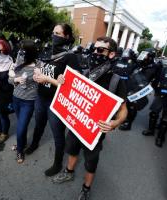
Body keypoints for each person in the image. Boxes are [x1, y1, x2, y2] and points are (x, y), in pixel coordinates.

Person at [52, 37, 128, 200]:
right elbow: (68, 90)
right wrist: (61, 81)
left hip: (95, 133)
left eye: (100, 50)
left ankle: (86, 188)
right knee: (72, 150)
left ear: (112, 54)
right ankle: (69, 172)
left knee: (90, 162)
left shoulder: (116, 81)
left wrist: (115, 122)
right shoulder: (84, 72)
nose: (95, 52)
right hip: (75, 125)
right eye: (94, 49)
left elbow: (123, 110)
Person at [25, 23, 80, 176]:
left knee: (57, 133)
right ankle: (34, 144)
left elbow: (73, 84)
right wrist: (37, 74)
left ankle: (57, 163)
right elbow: (41, 69)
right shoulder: (47, 52)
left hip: (56, 102)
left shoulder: (70, 57)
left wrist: (47, 79)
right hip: (41, 97)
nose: (54, 36)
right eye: (53, 32)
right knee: (39, 124)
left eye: (58, 33)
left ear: (67, 37)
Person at [8, 39, 38, 163]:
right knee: (22, 124)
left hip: (28, 102)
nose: (20, 53)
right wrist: (16, 79)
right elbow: (9, 80)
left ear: (29, 52)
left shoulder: (39, 66)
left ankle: (20, 151)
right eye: (19, 50)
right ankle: (22, 144)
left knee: (20, 128)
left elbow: (44, 81)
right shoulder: (19, 63)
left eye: (22, 50)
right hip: (16, 98)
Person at [119, 48, 162, 131]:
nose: (143, 56)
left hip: (141, 89)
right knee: (125, 103)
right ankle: (123, 117)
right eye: (143, 53)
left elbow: (157, 80)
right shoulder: (138, 63)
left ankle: (128, 123)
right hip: (131, 85)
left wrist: (157, 90)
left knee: (133, 106)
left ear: (150, 57)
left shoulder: (155, 67)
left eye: (145, 54)